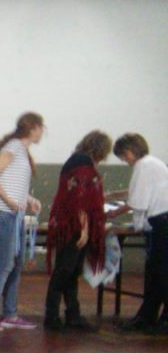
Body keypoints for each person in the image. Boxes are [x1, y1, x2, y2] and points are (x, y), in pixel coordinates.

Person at [43, 131, 111, 331]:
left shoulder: (77, 161)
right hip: (72, 226)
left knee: (72, 272)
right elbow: (79, 198)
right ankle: (52, 316)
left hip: (68, 223)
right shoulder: (82, 164)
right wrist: (84, 229)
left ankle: (73, 314)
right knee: (64, 271)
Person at [0, 112, 44, 331]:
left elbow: (12, 182)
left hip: (13, 213)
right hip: (3, 212)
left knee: (16, 264)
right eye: (41, 128)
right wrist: (9, 201)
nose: (43, 132)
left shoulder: (21, 151)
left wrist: (28, 199)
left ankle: (10, 313)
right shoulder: (14, 147)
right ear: (33, 127)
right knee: (6, 263)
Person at [108, 133, 168, 334]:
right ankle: (148, 315)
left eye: (123, 157)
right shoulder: (152, 164)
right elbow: (137, 191)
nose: (125, 161)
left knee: (160, 271)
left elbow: (137, 201)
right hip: (160, 221)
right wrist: (112, 195)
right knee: (155, 271)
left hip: (162, 221)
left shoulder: (143, 166)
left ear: (129, 152)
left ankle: (156, 318)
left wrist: (114, 212)